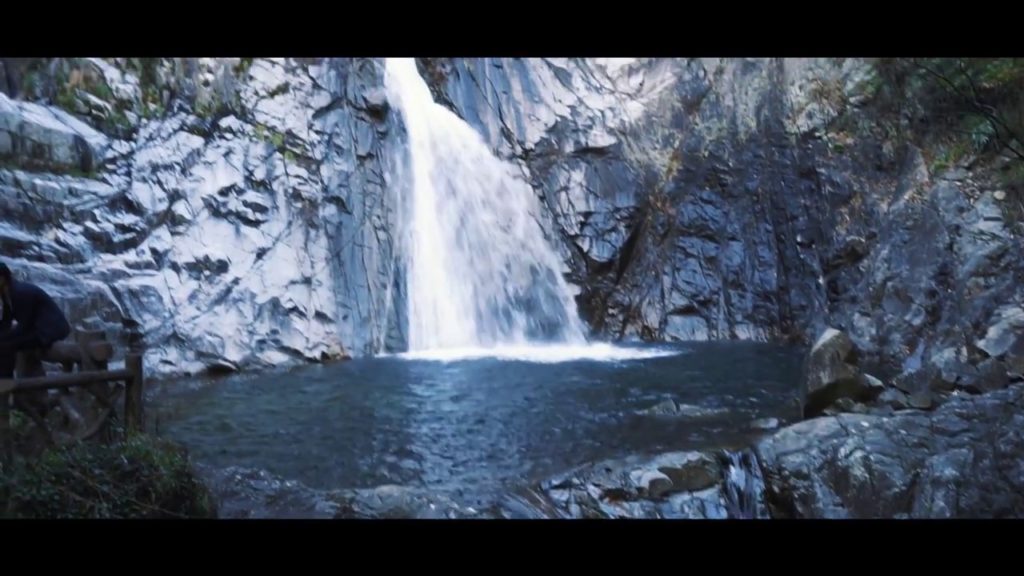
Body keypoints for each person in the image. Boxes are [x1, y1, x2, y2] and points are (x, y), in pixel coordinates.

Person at [0, 262, 71, 379]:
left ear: (2, 278)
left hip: (49, 331)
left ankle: (5, 380)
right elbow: (6, 322)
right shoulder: (6, 294)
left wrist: (4, 337)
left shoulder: (20, 292)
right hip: (36, 328)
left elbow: (24, 326)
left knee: (7, 345)